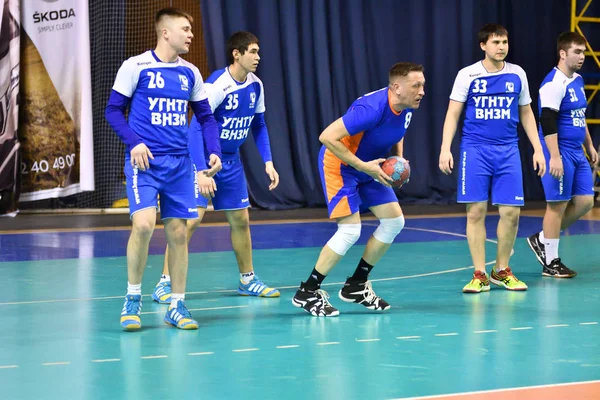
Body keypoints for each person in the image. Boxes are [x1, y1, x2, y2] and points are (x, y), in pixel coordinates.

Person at [105, 8, 222, 330]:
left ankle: (177, 304)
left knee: (179, 232)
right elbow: (113, 110)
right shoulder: (136, 66)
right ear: (165, 32)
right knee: (143, 225)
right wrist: (134, 142)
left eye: (192, 29)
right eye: (185, 29)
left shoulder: (191, 73)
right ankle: (132, 299)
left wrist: (212, 152)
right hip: (146, 162)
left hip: (180, 165)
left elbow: (206, 117)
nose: (191, 35)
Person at [152, 31, 280, 305]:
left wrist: (268, 162)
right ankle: (164, 283)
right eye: (253, 52)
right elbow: (196, 127)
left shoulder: (256, 85)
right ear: (237, 54)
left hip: (231, 162)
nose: (258, 57)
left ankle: (247, 279)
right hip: (204, 161)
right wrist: (201, 169)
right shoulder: (217, 85)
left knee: (241, 220)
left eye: (258, 52)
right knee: (189, 222)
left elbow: (259, 125)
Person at [291, 62, 425, 317]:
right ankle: (307, 292)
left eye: (423, 85)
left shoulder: (407, 106)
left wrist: (399, 161)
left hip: (371, 166)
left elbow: (399, 132)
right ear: (397, 87)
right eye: (416, 86)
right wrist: (363, 166)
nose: (421, 91)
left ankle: (356, 285)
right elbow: (326, 137)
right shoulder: (371, 109)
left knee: (394, 222)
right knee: (351, 230)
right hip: (340, 164)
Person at [438, 23, 546, 293]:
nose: (502, 47)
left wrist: (538, 147)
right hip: (475, 149)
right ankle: (479, 274)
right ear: (483, 45)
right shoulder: (468, 75)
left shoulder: (517, 74)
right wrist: (445, 148)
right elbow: (453, 113)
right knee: (476, 212)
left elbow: (526, 113)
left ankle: (501, 270)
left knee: (511, 212)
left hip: (508, 150)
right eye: (496, 42)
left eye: (505, 42)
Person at [526, 32, 597, 278]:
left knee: (586, 201)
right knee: (557, 205)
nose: (582, 57)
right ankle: (551, 262)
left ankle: (542, 239)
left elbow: (580, 116)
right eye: (577, 52)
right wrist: (553, 156)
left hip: (577, 151)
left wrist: (590, 145)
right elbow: (547, 120)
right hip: (558, 151)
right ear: (563, 53)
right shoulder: (553, 83)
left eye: (584, 52)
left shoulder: (577, 80)